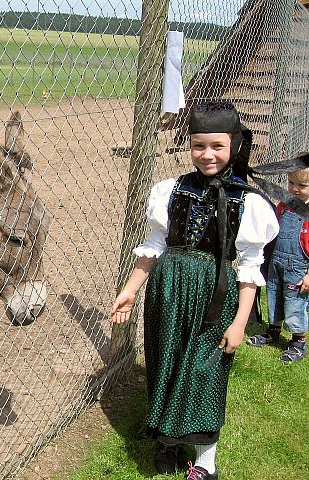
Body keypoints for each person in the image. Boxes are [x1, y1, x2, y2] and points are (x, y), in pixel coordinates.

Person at [110, 102, 279, 480]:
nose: (207, 155)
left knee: (206, 370)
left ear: (234, 145)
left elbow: (250, 270)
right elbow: (154, 244)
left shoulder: (247, 201)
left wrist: (238, 323)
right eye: (198, 145)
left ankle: (206, 460)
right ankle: (167, 442)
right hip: (168, 290)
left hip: (213, 295)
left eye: (217, 146)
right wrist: (131, 289)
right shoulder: (171, 190)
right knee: (167, 361)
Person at [246, 168, 309, 363]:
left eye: (302, 186)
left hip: (299, 267)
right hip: (277, 261)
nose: (295, 189)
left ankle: (298, 342)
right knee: (274, 296)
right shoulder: (284, 205)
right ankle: (273, 331)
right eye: (291, 183)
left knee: (295, 302)